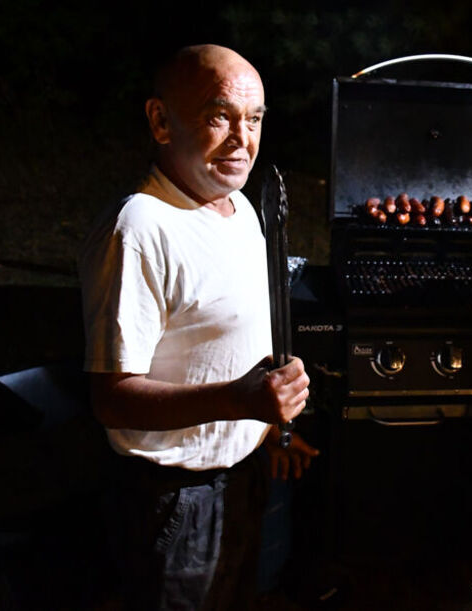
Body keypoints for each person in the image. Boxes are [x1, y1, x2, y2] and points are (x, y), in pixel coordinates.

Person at [78, 44, 318, 610]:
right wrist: (240, 400)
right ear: (161, 120)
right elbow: (111, 399)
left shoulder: (239, 206)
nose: (243, 140)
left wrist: (263, 430)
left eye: (254, 119)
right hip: (174, 501)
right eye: (219, 116)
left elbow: (223, 345)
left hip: (239, 478)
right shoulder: (138, 229)